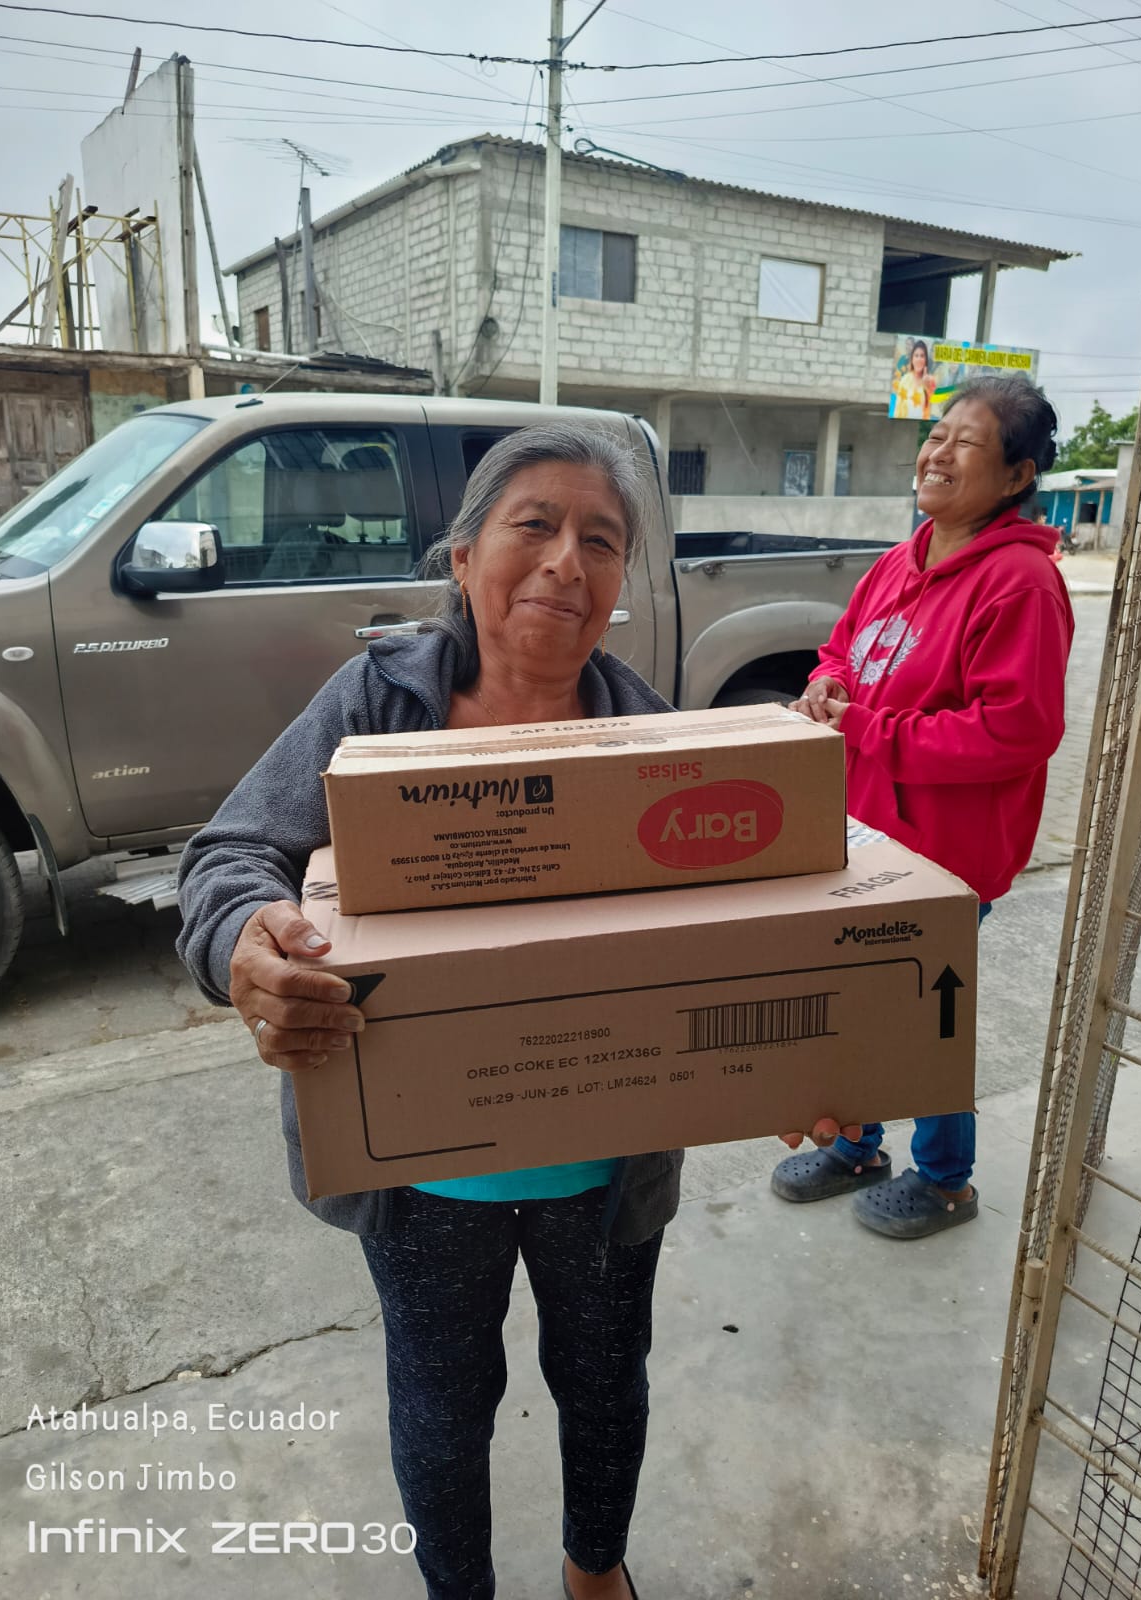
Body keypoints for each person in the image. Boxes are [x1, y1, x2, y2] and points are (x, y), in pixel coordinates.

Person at [176, 421, 851, 1600]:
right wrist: (243, 941)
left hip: (606, 1167)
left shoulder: (657, 738)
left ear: (619, 584)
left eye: (601, 540)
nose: (565, 562)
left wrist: (800, 1062)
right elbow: (232, 851)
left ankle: (596, 1569)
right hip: (422, 1180)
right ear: (462, 556)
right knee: (442, 1404)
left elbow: (753, 937)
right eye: (533, 525)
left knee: (605, 1379)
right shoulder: (377, 705)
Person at [770, 375, 1074, 1239]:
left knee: (925, 1013)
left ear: (1016, 476)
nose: (938, 453)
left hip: (946, 855)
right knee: (853, 999)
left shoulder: (1021, 583)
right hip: (866, 833)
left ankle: (945, 1181)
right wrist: (828, 684)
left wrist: (868, 727)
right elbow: (843, 649)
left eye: (966, 443)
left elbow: (1016, 731)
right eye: (936, 436)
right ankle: (857, 1145)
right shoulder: (900, 560)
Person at [891, 339, 937, 420]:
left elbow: (932, 409)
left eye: (922, 356)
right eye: (916, 356)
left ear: (926, 360)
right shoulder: (905, 380)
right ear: (912, 359)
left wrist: (926, 387)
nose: (919, 359)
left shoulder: (931, 381)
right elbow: (897, 410)